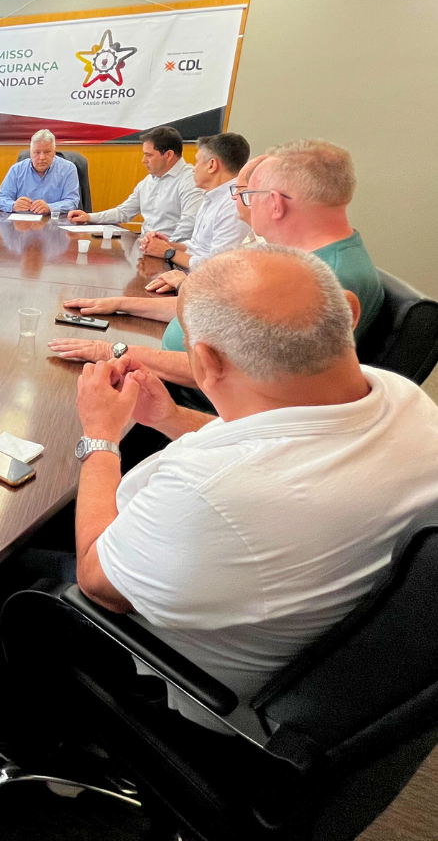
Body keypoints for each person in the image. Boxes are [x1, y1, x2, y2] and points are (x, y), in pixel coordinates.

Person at [67, 247, 438, 728]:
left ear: (204, 361)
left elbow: (96, 582)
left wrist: (100, 435)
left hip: (192, 695)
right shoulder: (403, 398)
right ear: (349, 313)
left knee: (10, 580)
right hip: (310, 654)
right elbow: (280, 443)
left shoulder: (214, 494)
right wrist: (171, 418)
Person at [49, 140, 384, 386]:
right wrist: (120, 304)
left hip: (189, 393)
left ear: (275, 205)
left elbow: (231, 374)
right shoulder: (303, 259)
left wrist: (112, 350)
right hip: (176, 367)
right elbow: (220, 310)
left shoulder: (322, 280)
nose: (242, 207)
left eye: (248, 196)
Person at [67, 125, 203, 242]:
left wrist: (168, 248)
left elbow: (189, 224)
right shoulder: (149, 180)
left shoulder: (191, 180)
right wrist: (89, 217)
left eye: (149, 155)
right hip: (146, 246)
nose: (144, 160)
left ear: (168, 155)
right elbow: (123, 212)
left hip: (172, 252)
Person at [138, 131, 251, 270]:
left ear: (212, 165)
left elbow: (218, 266)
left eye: (197, 162)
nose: (193, 169)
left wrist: (168, 252)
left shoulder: (234, 204)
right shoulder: (212, 197)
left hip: (206, 279)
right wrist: (166, 245)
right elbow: (196, 247)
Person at [0, 129, 80, 215]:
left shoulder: (68, 169)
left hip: (55, 221)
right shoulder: (16, 170)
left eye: (47, 152)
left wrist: (50, 208)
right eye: (37, 152)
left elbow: (72, 202)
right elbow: (1, 199)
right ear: (31, 153)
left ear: (54, 152)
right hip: (23, 221)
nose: (42, 157)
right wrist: (13, 205)